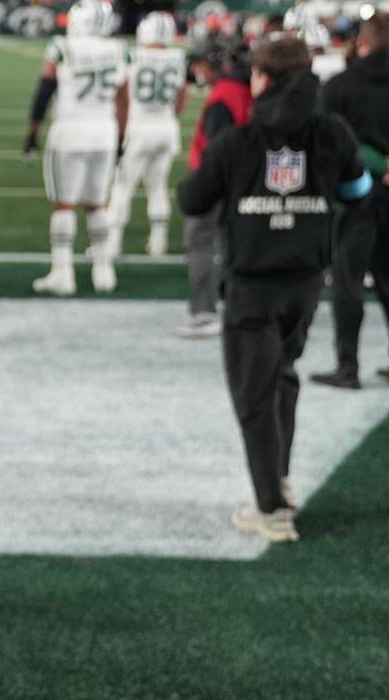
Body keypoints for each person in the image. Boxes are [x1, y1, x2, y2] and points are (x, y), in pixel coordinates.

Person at [177, 37, 370, 543]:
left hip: (252, 285)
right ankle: (279, 484)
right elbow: (358, 190)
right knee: (282, 377)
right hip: (306, 281)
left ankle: (270, 509)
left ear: (263, 79)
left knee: (253, 395)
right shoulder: (333, 132)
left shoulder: (239, 141)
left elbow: (193, 200)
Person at [24, 0, 127, 296]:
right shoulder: (119, 49)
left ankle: (63, 272)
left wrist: (32, 132)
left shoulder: (61, 46)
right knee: (98, 203)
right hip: (104, 132)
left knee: (64, 204)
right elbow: (124, 99)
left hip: (69, 131)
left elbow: (44, 91)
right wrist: (120, 136)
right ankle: (104, 271)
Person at [310, 12, 389, 389]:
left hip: (355, 194)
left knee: (349, 280)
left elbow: (325, 141)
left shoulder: (340, 85)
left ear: (363, 42)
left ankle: (348, 365)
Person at [176, 38, 252, 337]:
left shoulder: (224, 94)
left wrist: (202, 186)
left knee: (199, 241)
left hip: (218, 181)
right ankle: (239, 307)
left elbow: (218, 149)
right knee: (231, 243)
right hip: (242, 178)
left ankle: (204, 312)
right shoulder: (245, 87)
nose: (196, 69)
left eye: (200, 63)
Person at [105, 12, 187, 264]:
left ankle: (113, 242)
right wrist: (165, 115)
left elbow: (122, 95)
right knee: (158, 185)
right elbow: (182, 96)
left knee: (123, 186)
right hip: (166, 127)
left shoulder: (132, 55)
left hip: (138, 127)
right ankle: (158, 242)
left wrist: (121, 128)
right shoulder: (178, 56)